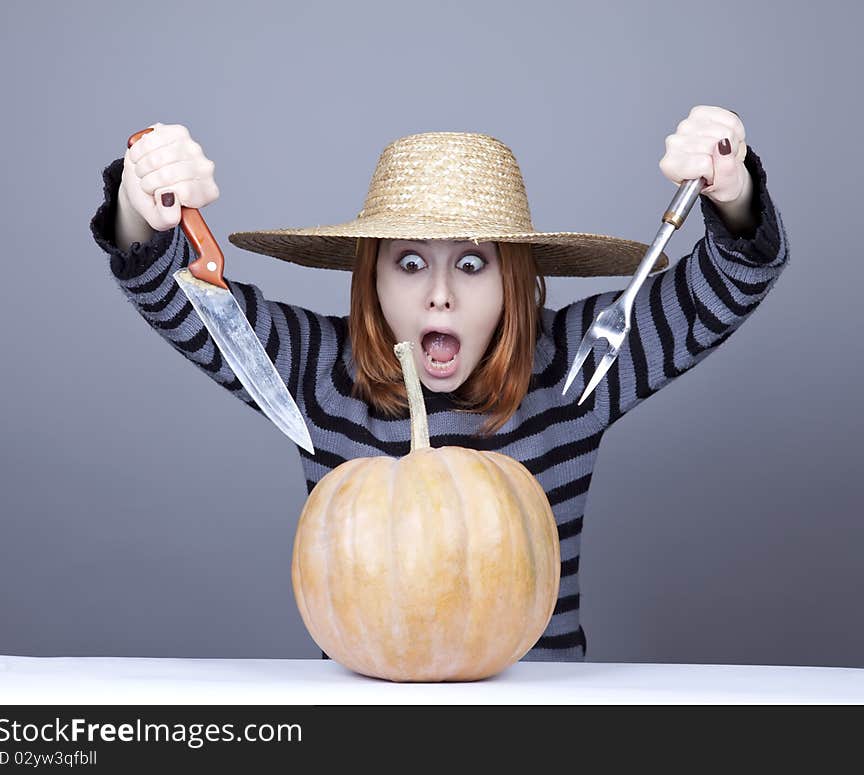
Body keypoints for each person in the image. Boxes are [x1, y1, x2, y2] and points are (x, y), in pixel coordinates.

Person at [90, 106, 789, 662]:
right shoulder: (313, 373)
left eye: (475, 264)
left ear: (515, 279)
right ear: (372, 275)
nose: (441, 296)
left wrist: (732, 191)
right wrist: (142, 204)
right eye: (412, 261)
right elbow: (173, 289)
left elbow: (731, 278)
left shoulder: (575, 368)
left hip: (543, 714)